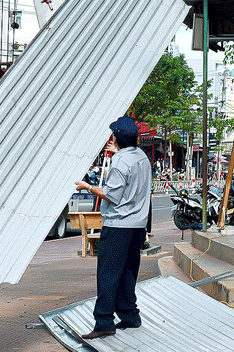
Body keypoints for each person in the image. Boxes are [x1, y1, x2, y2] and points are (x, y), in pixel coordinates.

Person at [73, 117, 151, 340]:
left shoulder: (120, 162)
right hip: (137, 226)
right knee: (128, 271)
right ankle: (130, 315)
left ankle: (104, 321)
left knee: (108, 273)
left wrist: (87, 186)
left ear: (116, 138)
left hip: (118, 225)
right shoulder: (142, 157)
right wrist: (119, 151)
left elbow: (111, 195)